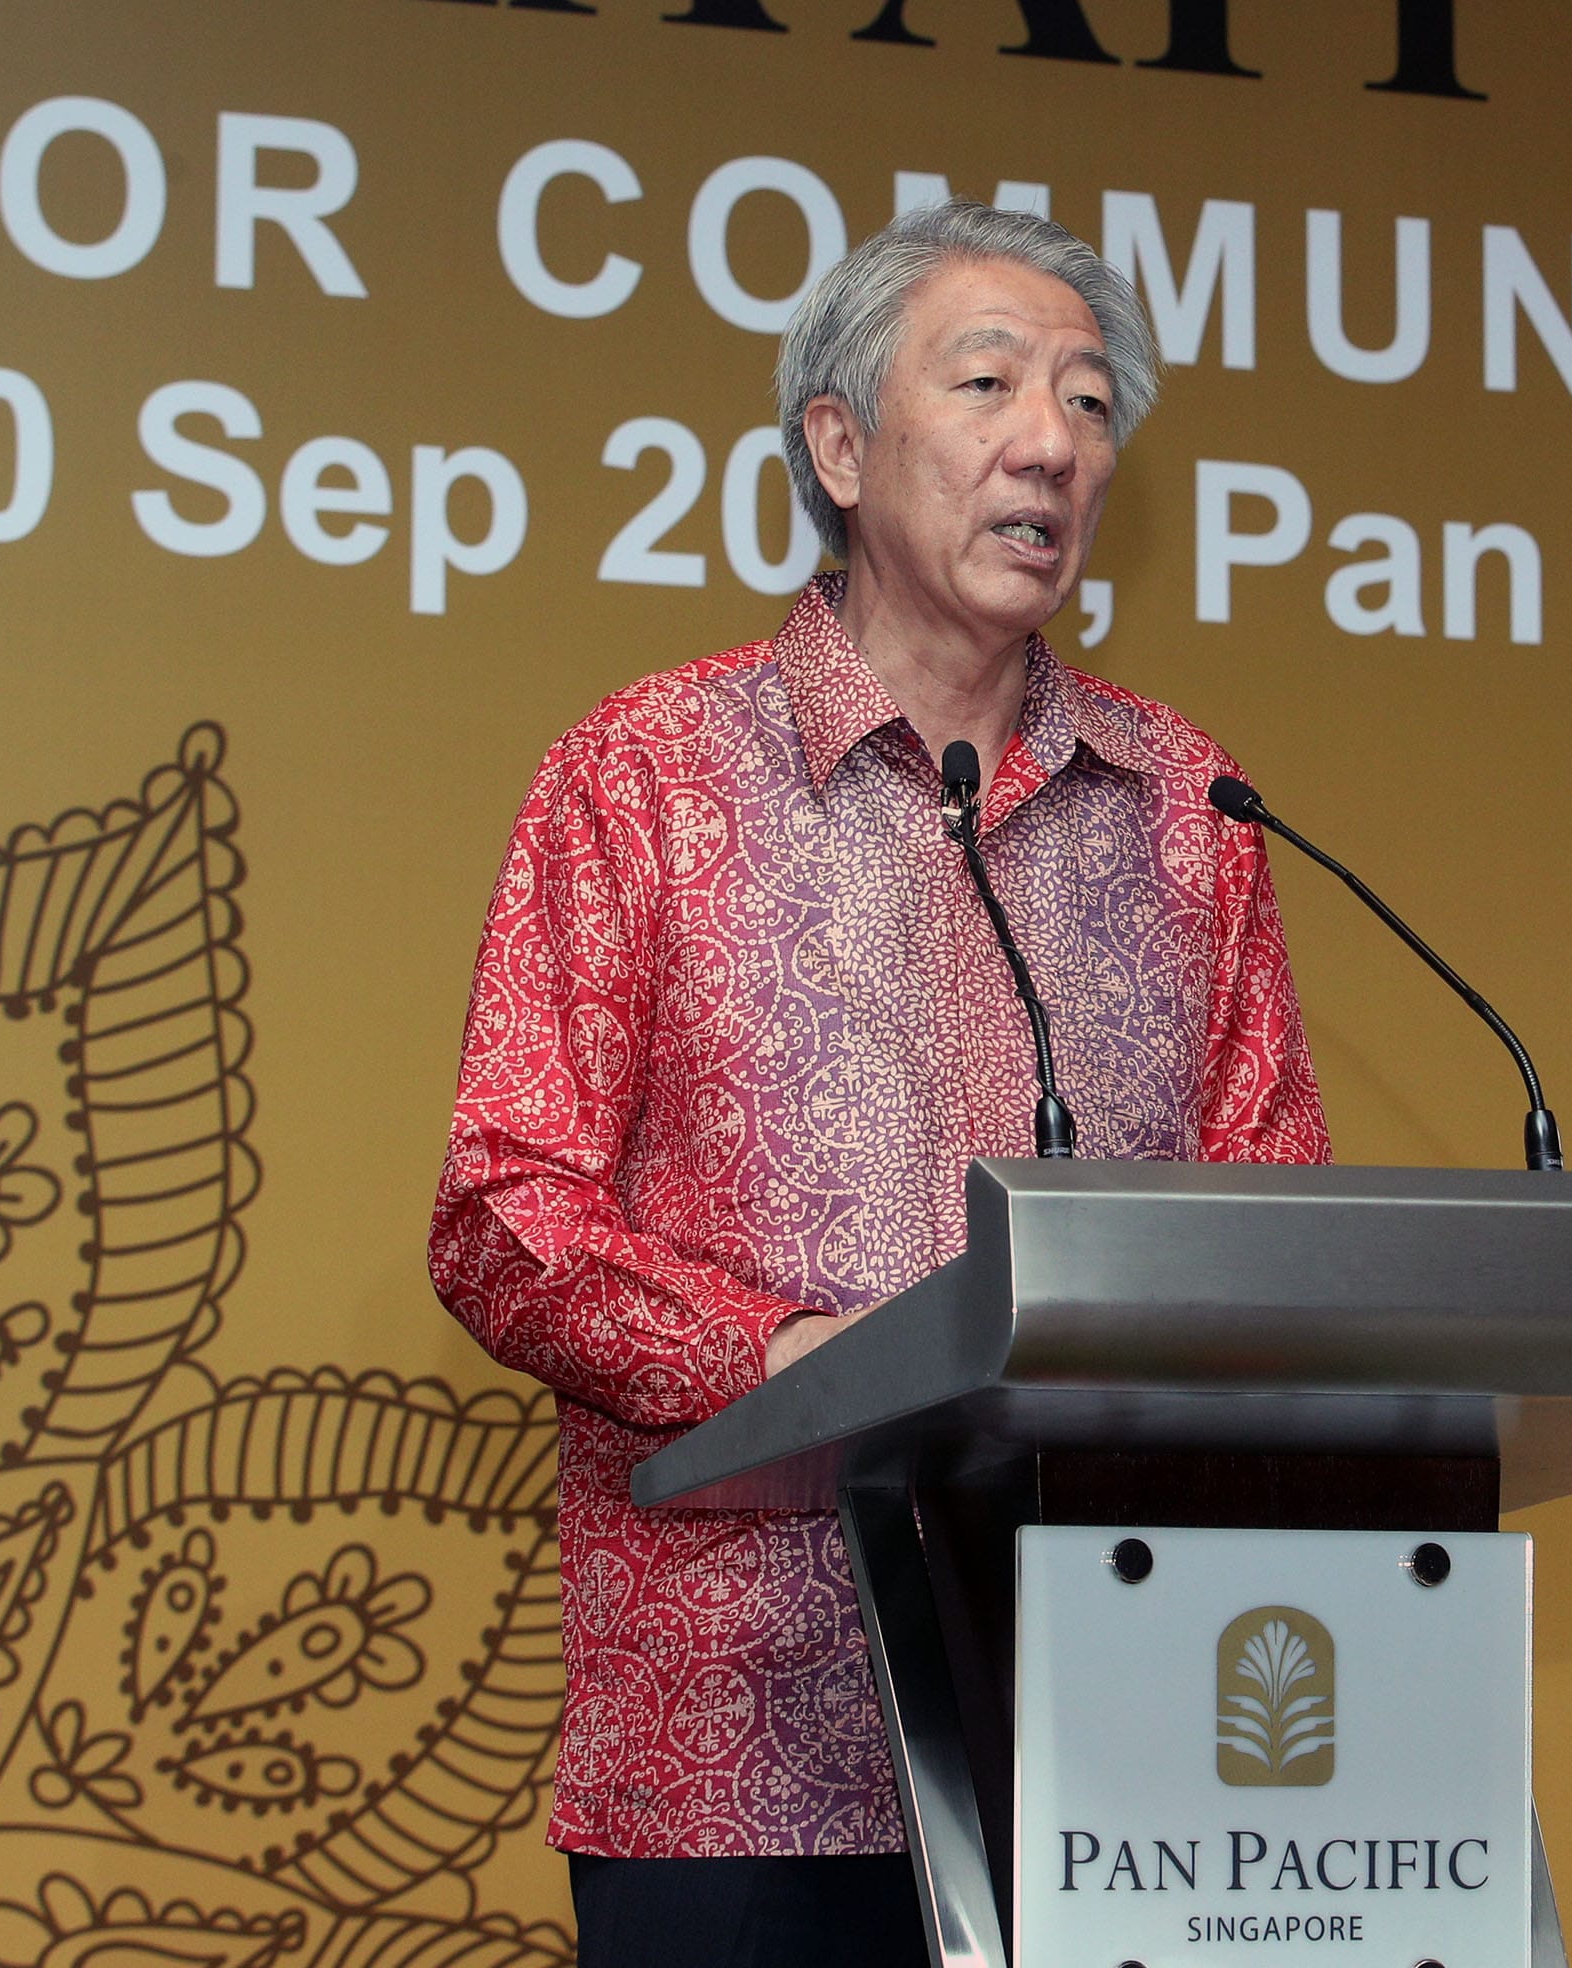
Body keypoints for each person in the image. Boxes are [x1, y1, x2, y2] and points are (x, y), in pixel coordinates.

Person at [428, 200, 1330, 1967]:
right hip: (739, 1740)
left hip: (1122, 1741)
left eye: (1086, 402)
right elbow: (503, 1206)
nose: (1051, 442)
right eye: (988, 382)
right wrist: (777, 1366)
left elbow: (1269, 1216)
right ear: (839, 448)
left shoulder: (1185, 808)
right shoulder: (645, 775)